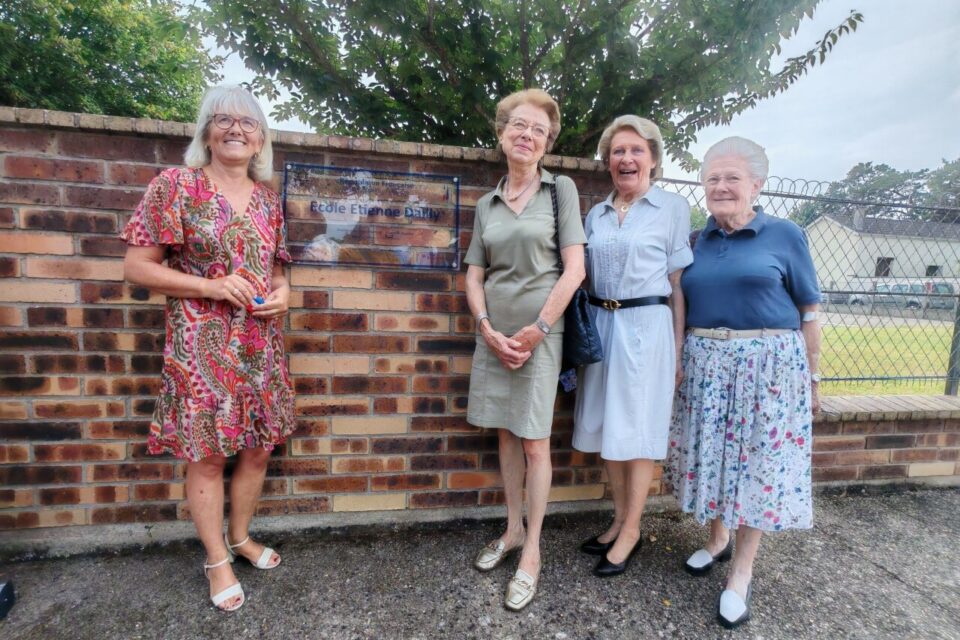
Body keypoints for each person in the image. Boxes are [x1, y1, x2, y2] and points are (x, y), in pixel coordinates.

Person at [121, 85, 296, 612]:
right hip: (201, 347)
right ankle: (216, 559)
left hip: (261, 344)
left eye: (247, 123)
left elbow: (279, 270)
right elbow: (135, 267)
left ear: (261, 138)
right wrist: (212, 286)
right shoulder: (176, 186)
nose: (236, 130)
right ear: (206, 132)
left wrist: (283, 294)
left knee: (260, 446)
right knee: (209, 456)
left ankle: (241, 536)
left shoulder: (268, 200)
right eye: (224, 120)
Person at [666, 136, 822, 628]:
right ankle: (716, 539)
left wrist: (813, 379)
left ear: (757, 184)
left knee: (757, 465)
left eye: (732, 177)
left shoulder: (785, 235)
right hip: (707, 362)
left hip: (768, 368)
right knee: (713, 457)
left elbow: (810, 312)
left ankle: (741, 572)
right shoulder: (697, 240)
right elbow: (679, 301)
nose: (721, 186)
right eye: (712, 178)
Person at [464, 89, 587, 611]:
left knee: (535, 442)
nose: (527, 135)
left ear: (547, 143)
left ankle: (532, 550)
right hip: (494, 337)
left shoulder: (560, 192)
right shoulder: (485, 205)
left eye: (538, 130)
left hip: (541, 334)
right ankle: (511, 529)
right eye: (519, 125)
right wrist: (488, 328)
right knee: (505, 434)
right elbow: (474, 275)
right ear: (501, 134)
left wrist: (537, 328)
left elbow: (575, 270)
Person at [572, 116, 692, 577]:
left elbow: (678, 285)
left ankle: (633, 529)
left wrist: (678, 350)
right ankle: (618, 518)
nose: (627, 159)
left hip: (647, 327)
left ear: (654, 159)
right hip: (601, 325)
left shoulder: (672, 209)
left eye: (637, 150)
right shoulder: (596, 214)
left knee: (639, 432)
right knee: (607, 426)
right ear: (608, 162)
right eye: (618, 152)